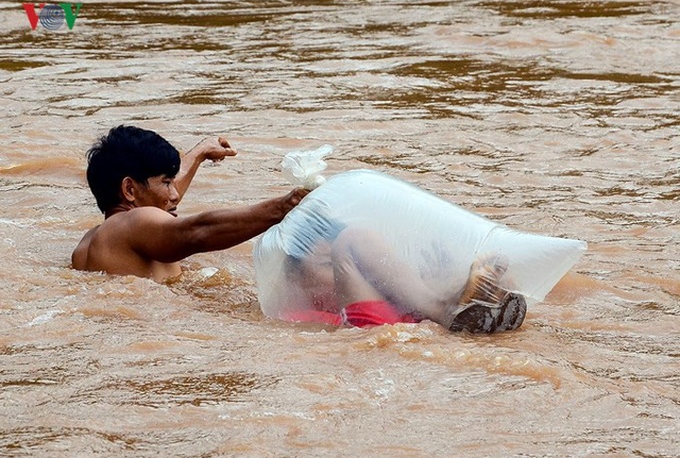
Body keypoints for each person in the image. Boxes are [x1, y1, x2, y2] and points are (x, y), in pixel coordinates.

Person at [72, 125, 308, 282]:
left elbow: (160, 203)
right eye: (166, 182)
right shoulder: (132, 223)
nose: (175, 195)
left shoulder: (92, 240)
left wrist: (201, 152)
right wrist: (287, 205)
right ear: (130, 189)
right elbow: (197, 231)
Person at [282, 213, 527, 334]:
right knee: (352, 239)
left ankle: (469, 305)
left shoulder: (388, 292)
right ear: (298, 280)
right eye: (329, 265)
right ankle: (447, 309)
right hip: (371, 332)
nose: (340, 275)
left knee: (499, 282)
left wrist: (437, 280)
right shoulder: (296, 316)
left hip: (416, 331)